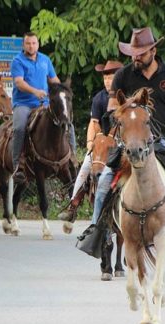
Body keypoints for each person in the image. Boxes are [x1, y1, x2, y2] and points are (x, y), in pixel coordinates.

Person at [79, 27, 165, 258]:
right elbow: (112, 106)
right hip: (132, 138)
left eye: (140, 53)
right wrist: (116, 113)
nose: (135, 57)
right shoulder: (123, 75)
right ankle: (97, 230)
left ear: (153, 50)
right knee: (104, 182)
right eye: (133, 53)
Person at [58, 60, 123, 222]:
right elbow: (94, 123)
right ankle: (73, 205)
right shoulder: (99, 98)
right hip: (103, 142)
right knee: (86, 166)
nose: (108, 81)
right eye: (105, 78)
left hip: (123, 143)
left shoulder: (125, 97)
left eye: (111, 78)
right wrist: (90, 143)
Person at [10, 32, 76, 180]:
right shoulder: (17, 61)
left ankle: (72, 157)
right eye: (28, 43)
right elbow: (19, 83)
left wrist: (61, 92)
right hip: (24, 104)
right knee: (20, 127)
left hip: (45, 103)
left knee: (67, 122)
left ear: (38, 44)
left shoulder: (45, 60)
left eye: (34, 43)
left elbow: (54, 80)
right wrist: (35, 91)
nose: (31, 46)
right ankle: (18, 165)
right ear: (24, 45)